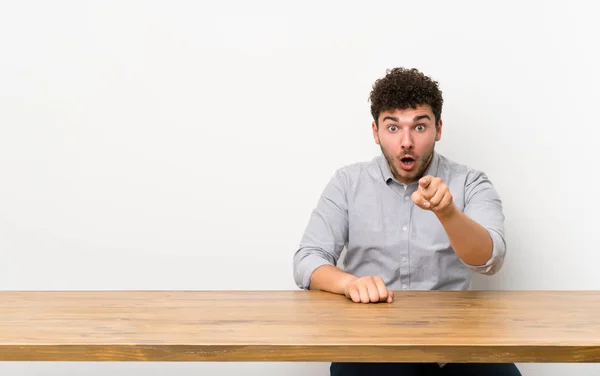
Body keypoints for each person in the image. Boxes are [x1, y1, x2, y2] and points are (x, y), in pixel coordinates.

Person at [292, 67, 521, 376]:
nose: (406, 142)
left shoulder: (470, 183)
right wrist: (350, 283)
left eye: (420, 126)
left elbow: (490, 259)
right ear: (375, 132)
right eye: (393, 127)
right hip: (372, 344)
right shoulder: (348, 183)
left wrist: (448, 213)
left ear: (438, 129)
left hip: (457, 345)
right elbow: (307, 260)